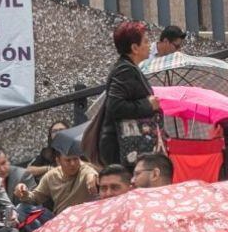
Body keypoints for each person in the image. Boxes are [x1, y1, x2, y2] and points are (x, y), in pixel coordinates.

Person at [97, 21, 161, 168]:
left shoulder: (128, 67)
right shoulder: (125, 70)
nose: (149, 45)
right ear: (134, 48)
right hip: (123, 148)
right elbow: (115, 106)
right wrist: (148, 104)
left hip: (127, 147)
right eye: (145, 41)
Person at [18, 146, 97, 216]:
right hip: (60, 218)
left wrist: (92, 178)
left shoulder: (85, 170)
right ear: (58, 161)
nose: (73, 163)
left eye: (75, 159)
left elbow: (90, 173)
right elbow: (35, 198)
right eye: (68, 160)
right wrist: (24, 193)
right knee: (21, 209)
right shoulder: (51, 176)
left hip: (84, 215)